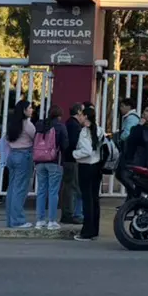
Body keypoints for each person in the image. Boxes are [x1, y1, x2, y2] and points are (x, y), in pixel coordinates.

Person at [70, 102, 103, 241]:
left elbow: (86, 151)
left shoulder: (84, 132)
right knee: (94, 199)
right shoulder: (99, 130)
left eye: (82, 115)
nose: (80, 117)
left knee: (87, 199)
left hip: (86, 167)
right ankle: (94, 229)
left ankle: (87, 231)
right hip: (97, 166)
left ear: (85, 116)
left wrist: (74, 154)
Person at [32, 104, 69, 230]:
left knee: (41, 190)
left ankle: (40, 220)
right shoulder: (60, 126)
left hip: (39, 161)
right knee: (53, 191)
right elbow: (65, 145)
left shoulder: (39, 125)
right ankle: (52, 221)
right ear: (59, 115)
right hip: (54, 161)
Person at [1, 98, 36, 229]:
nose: (32, 110)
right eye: (30, 108)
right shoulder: (28, 124)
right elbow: (35, 138)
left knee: (12, 188)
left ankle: (11, 220)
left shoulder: (12, 123)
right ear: (24, 110)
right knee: (20, 189)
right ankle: (18, 220)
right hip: (24, 156)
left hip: (12, 155)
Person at [59, 103, 84, 226]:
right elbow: (75, 142)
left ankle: (69, 213)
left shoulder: (68, 123)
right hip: (73, 160)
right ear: (79, 112)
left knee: (69, 187)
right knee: (72, 188)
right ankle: (69, 214)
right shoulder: (74, 126)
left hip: (67, 159)